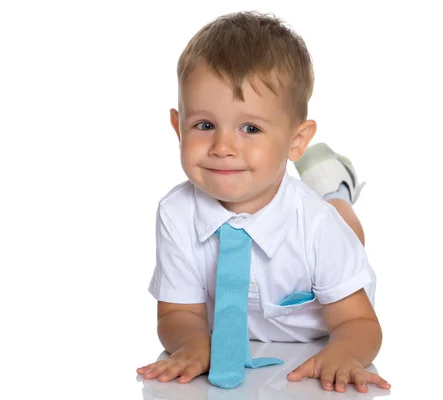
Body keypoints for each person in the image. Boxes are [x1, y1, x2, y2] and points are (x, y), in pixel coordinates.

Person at [136, 11, 391, 394]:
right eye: (204, 126)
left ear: (295, 140)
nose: (223, 148)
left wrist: (345, 353)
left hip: (324, 224)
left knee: (345, 223)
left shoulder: (317, 226)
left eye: (250, 129)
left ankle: (332, 183)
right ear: (178, 127)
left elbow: (359, 323)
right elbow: (178, 313)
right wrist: (192, 342)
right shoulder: (176, 213)